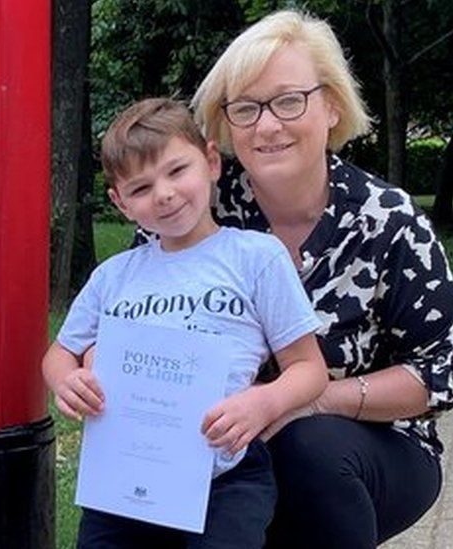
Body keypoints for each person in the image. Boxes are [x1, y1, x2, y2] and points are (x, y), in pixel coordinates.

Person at [183, 9, 453, 548]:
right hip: (215, 440)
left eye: (288, 101)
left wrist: (307, 399)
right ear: (224, 122)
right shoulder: (195, 207)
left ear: (330, 106)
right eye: (245, 108)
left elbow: (439, 375)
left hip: (368, 443)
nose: (267, 125)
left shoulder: (390, 223)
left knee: (308, 448)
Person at [43, 97, 329, 548]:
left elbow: (309, 369)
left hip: (225, 474)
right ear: (120, 203)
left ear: (211, 162)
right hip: (123, 477)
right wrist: (67, 380)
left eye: (178, 170)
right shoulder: (114, 277)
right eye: (140, 188)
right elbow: (60, 353)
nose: (165, 194)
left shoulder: (255, 257)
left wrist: (265, 402)